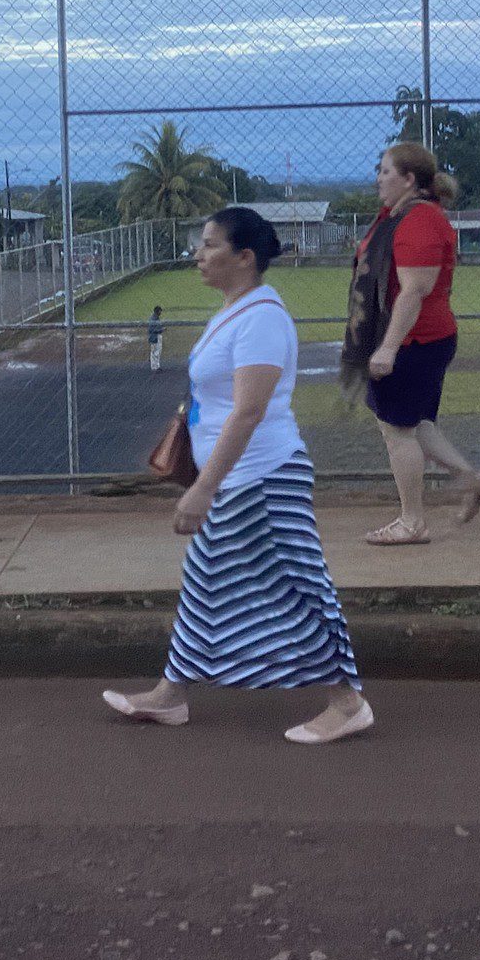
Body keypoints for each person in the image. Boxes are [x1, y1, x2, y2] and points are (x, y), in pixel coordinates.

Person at [103, 207, 371, 745]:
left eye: (209, 245)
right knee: (205, 582)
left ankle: (347, 703)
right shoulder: (236, 310)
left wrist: (202, 489)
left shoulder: (262, 319)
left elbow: (248, 412)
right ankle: (170, 695)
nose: (198, 255)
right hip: (240, 478)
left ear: (244, 257)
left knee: (293, 587)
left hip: (263, 479)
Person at [343, 143, 480, 547]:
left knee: (397, 431)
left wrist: (388, 348)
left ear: (409, 179)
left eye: (386, 170)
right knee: (414, 422)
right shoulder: (404, 216)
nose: (379, 177)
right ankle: (469, 478)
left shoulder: (419, 221)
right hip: (420, 338)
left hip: (415, 339)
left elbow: (414, 291)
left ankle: (412, 522)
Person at [147, 305, 166, 373]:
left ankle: (154, 366)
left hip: (153, 337)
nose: (161, 313)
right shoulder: (154, 319)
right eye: (160, 311)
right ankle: (156, 367)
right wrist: (162, 329)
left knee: (154, 351)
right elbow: (153, 329)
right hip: (155, 337)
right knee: (156, 352)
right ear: (157, 311)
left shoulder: (154, 317)